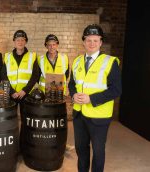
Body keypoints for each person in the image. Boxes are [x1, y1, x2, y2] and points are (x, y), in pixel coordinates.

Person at [68, 24, 122, 172]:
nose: (92, 43)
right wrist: (73, 94)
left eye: (95, 40)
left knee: (98, 152)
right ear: (84, 42)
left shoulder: (110, 62)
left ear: (100, 42)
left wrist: (91, 99)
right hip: (79, 115)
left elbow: (116, 90)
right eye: (88, 40)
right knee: (81, 149)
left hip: (99, 117)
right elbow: (72, 84)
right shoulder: (77, 61)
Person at [1, 30, 40, 102]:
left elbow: (35, 75)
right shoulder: (7, 56)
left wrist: (25, 90)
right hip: (11, 94)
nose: (20, 42)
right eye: (18, 40)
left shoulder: (32, 56)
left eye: (22, 40)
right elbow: (3, 76)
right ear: (14, 42)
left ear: (25, 42)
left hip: (26, 94)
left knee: (26, 113)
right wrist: (11, 91)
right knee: (11, 113)